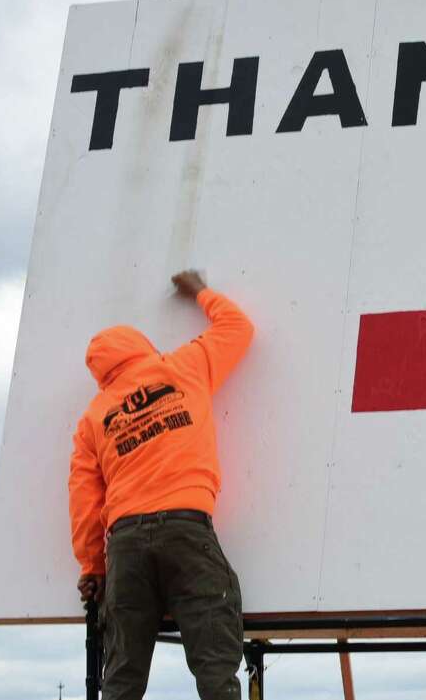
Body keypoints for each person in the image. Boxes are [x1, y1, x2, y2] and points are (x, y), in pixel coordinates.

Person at [68, 270, 254, 700]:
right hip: (186, 531)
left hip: (126, 546)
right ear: (142, 347)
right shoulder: (182, 366)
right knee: (215, 670)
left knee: (121, 680)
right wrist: (200, 293)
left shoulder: (94, 417)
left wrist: (92, 568)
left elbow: (84, 498)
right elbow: (239, 329)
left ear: (100, 373)